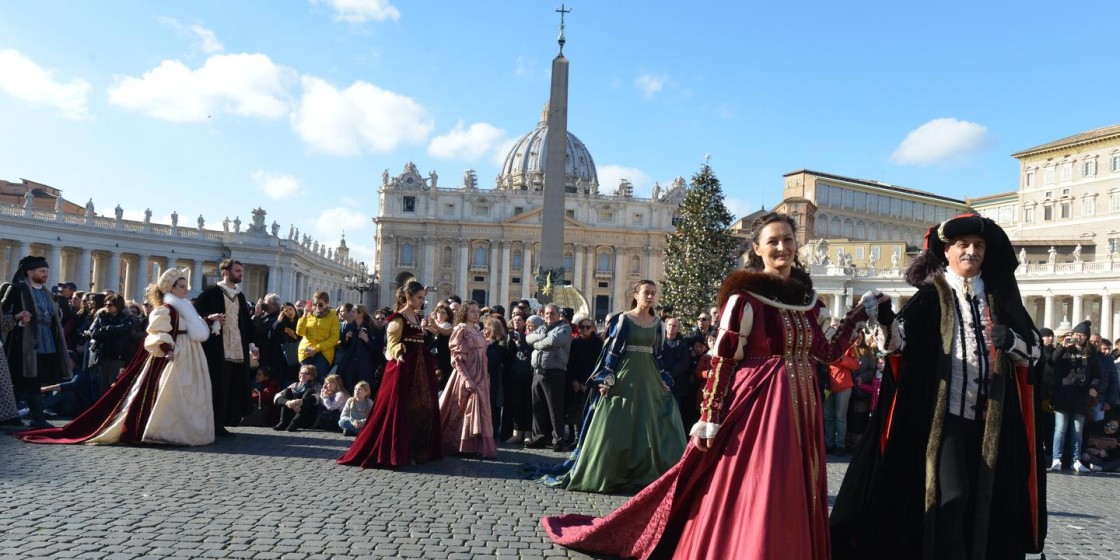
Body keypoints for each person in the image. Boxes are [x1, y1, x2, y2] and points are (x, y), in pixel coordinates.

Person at [543, 213, 869, 557]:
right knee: (765, 481)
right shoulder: (745, 300)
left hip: (803, 407)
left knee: (794, 484)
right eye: (772, 241)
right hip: (761, 408)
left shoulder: (808, 305)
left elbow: (827, 352)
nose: (782, 247)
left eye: (788, 239)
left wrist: (857, 316)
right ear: (757, 249)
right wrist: (710, 414)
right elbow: (724, 360)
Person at [831, 213, 1047, 559]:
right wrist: (886, 321)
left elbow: (1035, 354)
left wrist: (1013, 342)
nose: (971, 252)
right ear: (947, 251)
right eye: (963, 245)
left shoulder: (1000, 300)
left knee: (988, 503)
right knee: (952, 497)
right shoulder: (931, 297)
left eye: (978, 246)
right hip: (944, 422)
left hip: (994, 424)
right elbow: (897, 347)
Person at [19, 268, 215, 445]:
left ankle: (184, 428)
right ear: (171, 288)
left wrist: (208, 320)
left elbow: (187, 327)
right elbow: (157, 332)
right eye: (181, 286)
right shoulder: (167, 309)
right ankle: (163, 430)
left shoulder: (184, 307)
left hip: (189, 353)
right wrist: (166, 347)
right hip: (174, 354)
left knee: (188, 393)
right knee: (169, 392)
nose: (186, 290)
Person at [538, 279, 686, 494]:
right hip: (626, 374)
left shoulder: (657, 323)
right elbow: (613, 352)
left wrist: (663, 379)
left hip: (649, 376)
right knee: (617, 420)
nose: (650, 296)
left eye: (653, 293)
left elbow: (659, 354)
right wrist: (607, 379)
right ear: (636, 295)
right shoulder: (625, 319)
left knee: (655, 417)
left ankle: (653, 471)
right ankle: (610, 470)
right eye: (646, 292)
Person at [337, 281, 442, 468]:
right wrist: (399, 353)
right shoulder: (397, 318)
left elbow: (419, 340)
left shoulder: (417, 317)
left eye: (423, 298)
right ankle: (399, 451)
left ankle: (418, 449)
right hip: (402, 367)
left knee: (422, 406)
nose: (422, 301)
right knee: (399, 410)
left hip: (419, 368)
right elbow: (392, 344)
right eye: (419, 297)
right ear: (408, 297)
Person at [2, 256, 72, 429]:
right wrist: (17, 318)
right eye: (42, 271)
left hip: (48, 341)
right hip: (24, 342)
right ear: (30, 271)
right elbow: (3, 317)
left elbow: (54, 315)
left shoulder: (47, 292)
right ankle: (32, 417)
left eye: (47, 271)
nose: (46, 274)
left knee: (39, 379)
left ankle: (31, 415)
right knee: (26, 381)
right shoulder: (17, 289)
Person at [194, 258, 252, 437]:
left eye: (241, 271)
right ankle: (214, 421)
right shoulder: (212, 291)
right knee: (218, 383)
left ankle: (228, 418)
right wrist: (209, 317)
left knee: (232, 383)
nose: (240, 274)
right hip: (217, 347)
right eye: (237, 271)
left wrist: (251, 344)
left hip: (236, 346)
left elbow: (246, 322)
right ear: (225, 272)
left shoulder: (239, 295)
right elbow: (196, 312)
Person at [438, 301, 498, 459]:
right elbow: (456, 359)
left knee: (482, 410)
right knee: (465, 409)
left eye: (477, 311)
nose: (476, 314)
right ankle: (462, 445)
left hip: (481, 375)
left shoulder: (478, 331)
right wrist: (466, 378)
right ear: (464, 313)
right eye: (472, 311)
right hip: (468, 374)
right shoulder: (461, 330)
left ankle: (478, 446)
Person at [1048, 320, 1100, 473]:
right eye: (1076, 334)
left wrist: (1094, 388)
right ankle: (1056, 459)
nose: (1078, 337)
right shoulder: (1064, 350)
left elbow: (1097, 375)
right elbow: (1052, 362)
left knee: (1077, 431)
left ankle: (1075, 460)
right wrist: (1063, 346)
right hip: (1063, 395)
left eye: (1082, 335)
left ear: (1086, 338)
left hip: (1082, 397)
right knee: (1060, 429)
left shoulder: (1091, 355)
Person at [525, 304, 573, 451]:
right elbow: (528, 338)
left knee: (555, 408)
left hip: (554, 372)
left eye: (552, 313)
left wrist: (537, 344)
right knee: (537, 407)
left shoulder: (564, 328)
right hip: (538, 371)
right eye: (546, 313)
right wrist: (542, 337)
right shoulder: (543, 328)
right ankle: (539, 437)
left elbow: (554, 341)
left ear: (559, 315)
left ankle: (557, 440)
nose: (548, 316)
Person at [85, 294, 135, 396]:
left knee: (113, 381)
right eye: (106, 304)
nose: (107, 307)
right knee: (102, 382)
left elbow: (123, 329)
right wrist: (99, 333)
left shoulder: (125, 317)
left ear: (118, 305)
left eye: (110, 305)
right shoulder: (101, 315)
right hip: (103, 352)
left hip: (118, 354)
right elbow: (92, 330)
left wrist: (106, 328)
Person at [566, 317, 603, 444]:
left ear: (593, 328)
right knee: (575, 411)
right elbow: (571, 363)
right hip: (576, 381)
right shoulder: (575, 343)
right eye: (582, 327)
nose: (585, 330)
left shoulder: (599, 344)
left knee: (591, 411)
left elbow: (598, 366)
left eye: (588, 327)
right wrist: (574, 381)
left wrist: (589, 383)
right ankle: (576, 438)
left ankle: (589, 440)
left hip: (591, 382)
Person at [823, 331, 861, 456]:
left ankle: (840, 445)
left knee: (840, 417)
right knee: (828, 416)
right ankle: (829, 444)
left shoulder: (847, 346)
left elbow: (855, 364)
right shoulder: (822, 344)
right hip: (827, 385)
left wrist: (840, 358)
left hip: (843, 385)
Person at [296, 291, 340, 378]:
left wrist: (316, 349)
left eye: (320, 305)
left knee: (318, 379)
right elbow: (300, 332)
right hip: (306, 351)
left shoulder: (332, 315)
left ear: (327, 303)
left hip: (324, 353)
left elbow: (334, 338)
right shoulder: (309, 313)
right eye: (315, 304)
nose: (317, 307)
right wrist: (304, 315)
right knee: (304, 379)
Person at [272, 364, 323, 432]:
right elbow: (277, 397)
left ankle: (295, 423)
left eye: (306, 373)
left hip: (307, 417)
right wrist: (288, 403)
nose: (303, 375)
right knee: (287, 391)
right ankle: (283, 422)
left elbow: (318, 399)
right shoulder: (295, 385)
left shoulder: (316, 385)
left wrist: (300, 402)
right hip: (293, 412)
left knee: (309, 392)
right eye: (301, 373)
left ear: (312, 376)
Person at [269, 302, 302, 386]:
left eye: (290, 309)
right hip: (283, 357)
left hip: (297, 355)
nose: (289, 312)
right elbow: (270, 336)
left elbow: (304, 338)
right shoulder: (281, 323)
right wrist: (278, 322)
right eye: (286, 311)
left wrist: (294, 335)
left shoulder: (300, 321)